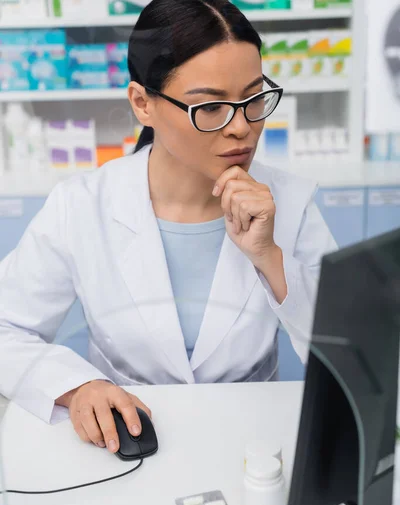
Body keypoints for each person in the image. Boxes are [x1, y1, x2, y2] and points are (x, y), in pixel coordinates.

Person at [0, 0, 336, 454]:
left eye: (254, 99)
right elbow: (6, 327)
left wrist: (270, 259)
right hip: (127, 446)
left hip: (254, 446)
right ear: (143, 103)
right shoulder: (81, 206)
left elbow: (351, 357)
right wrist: (76, 387)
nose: (241, 128)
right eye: (211, 107)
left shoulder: (291, 202)